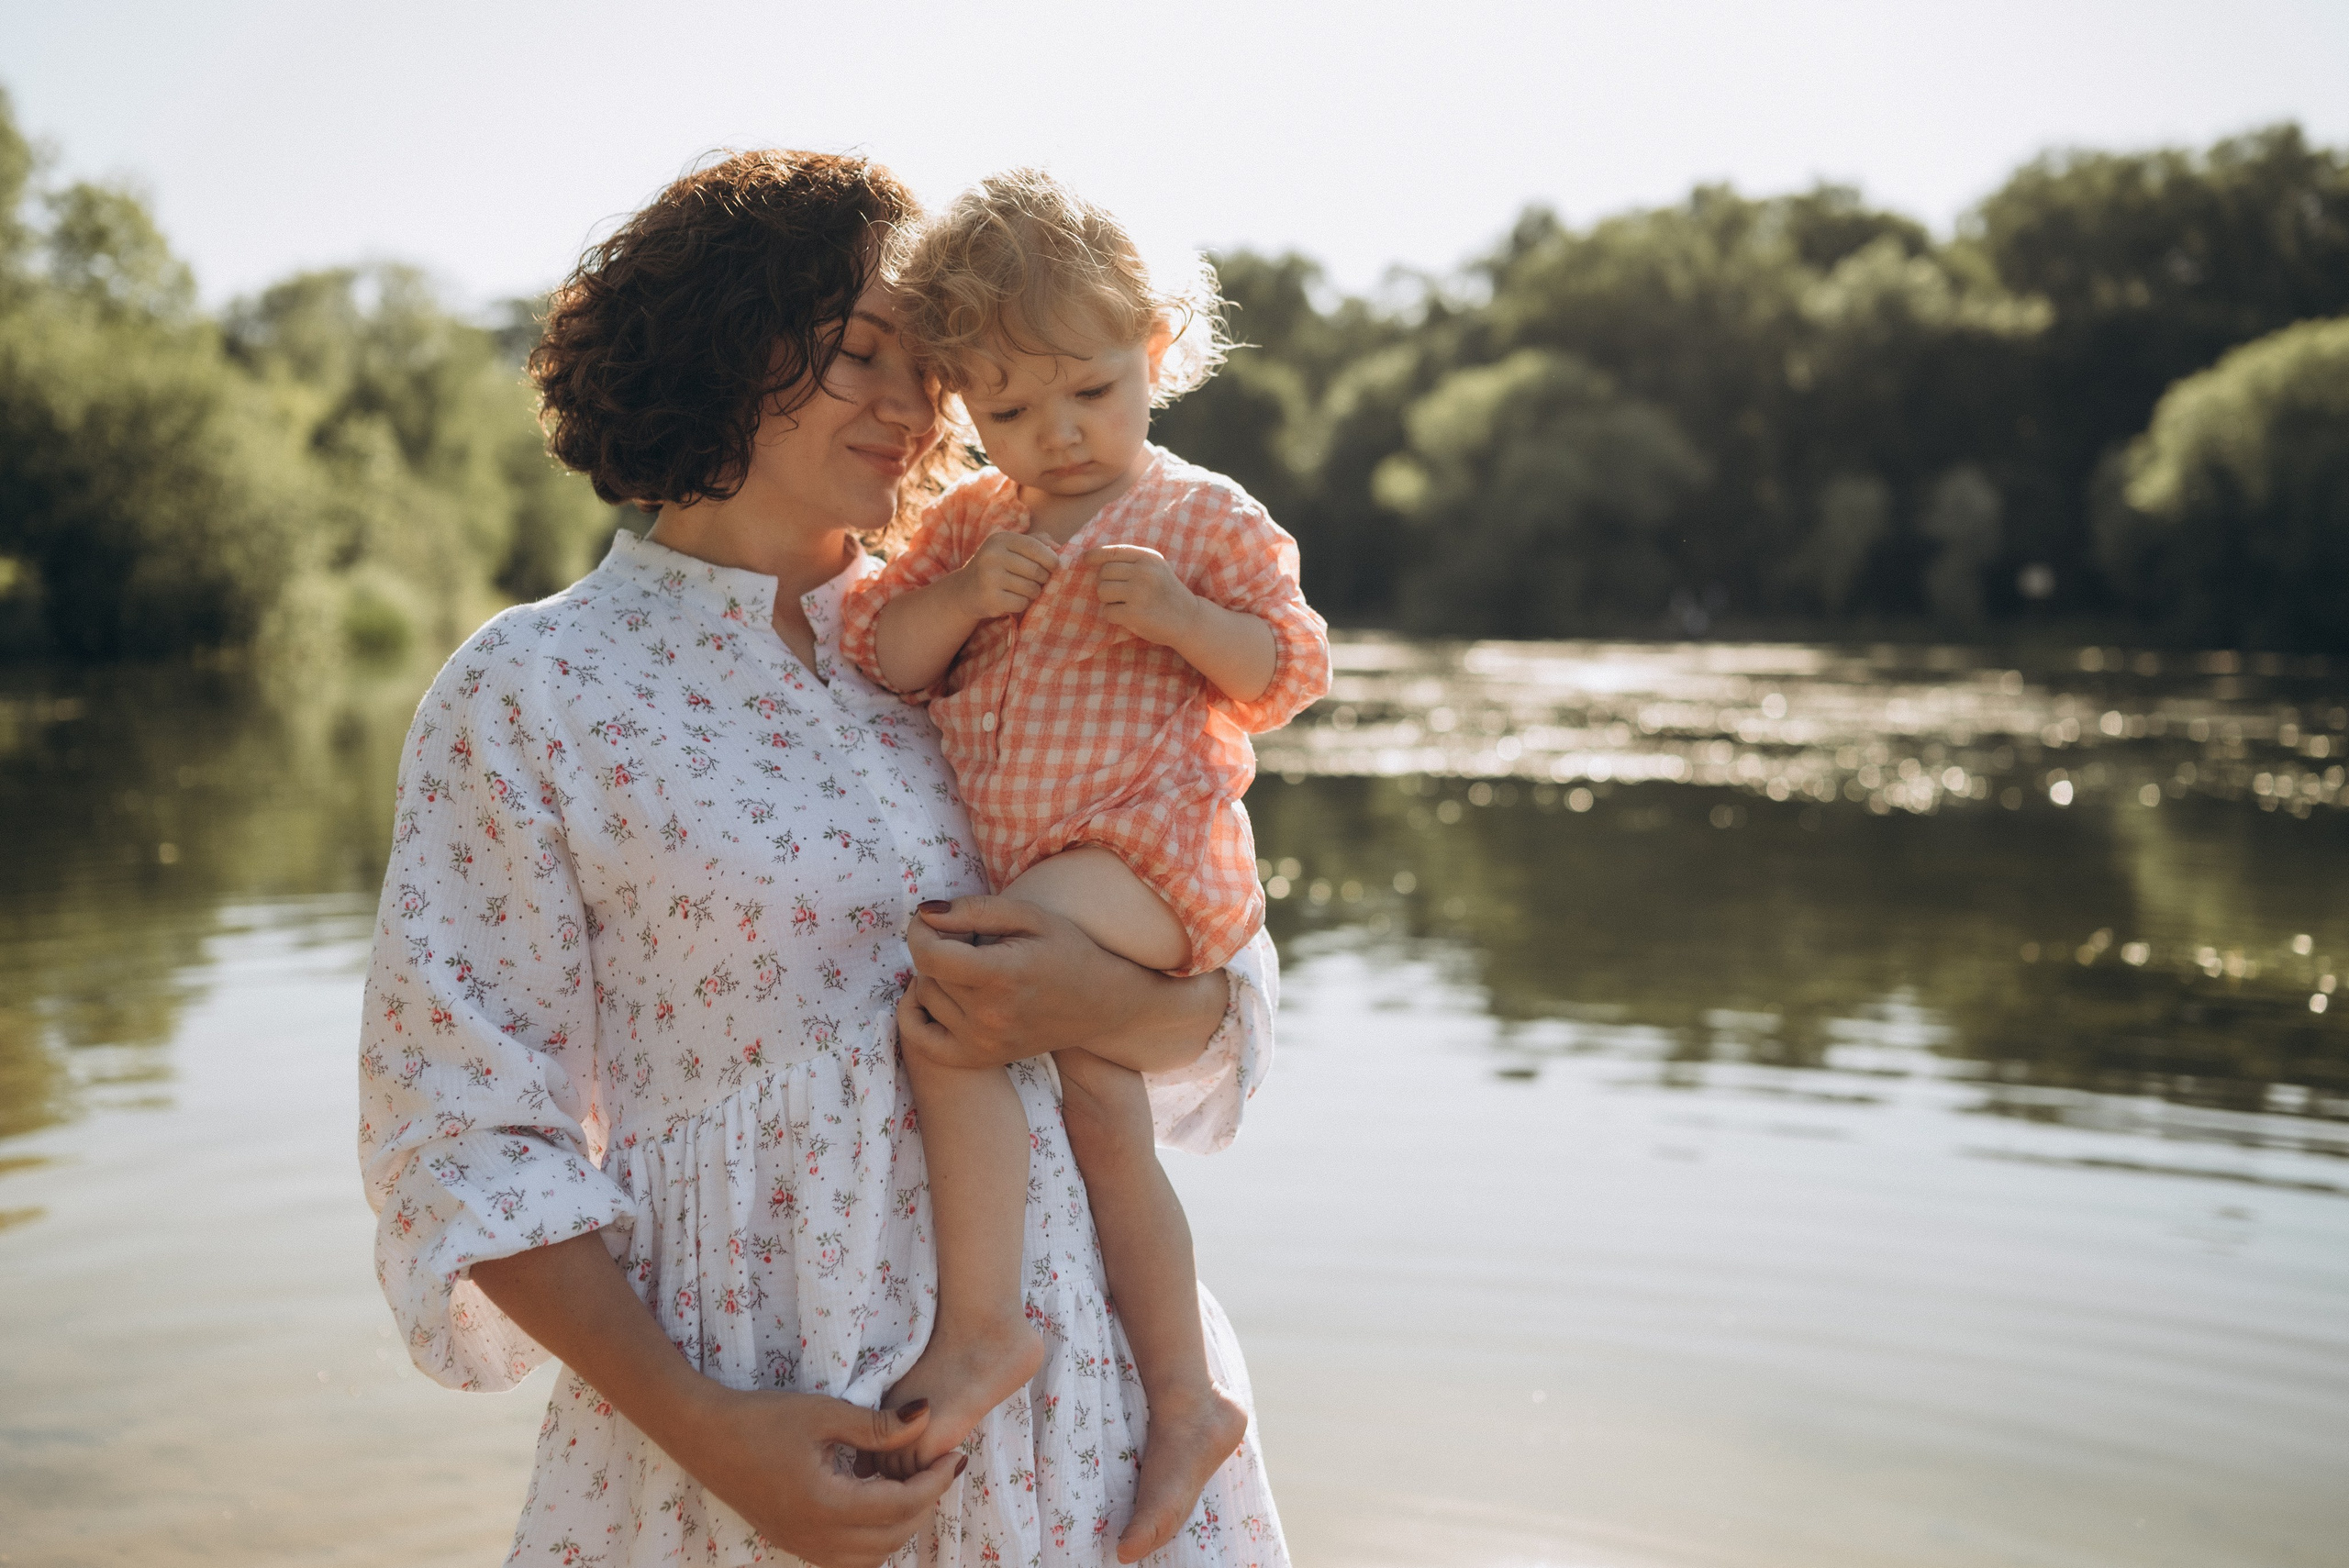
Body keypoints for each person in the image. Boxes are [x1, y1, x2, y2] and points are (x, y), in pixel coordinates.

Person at [356, 149, 1288, 1568]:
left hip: (1092, 1419)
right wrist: (705, 1423)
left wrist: (1093, 1007)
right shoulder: (534, 690)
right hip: (754, 1423)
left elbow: (1213, 955)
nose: (916, 410)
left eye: (930, 370)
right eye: (862, 355)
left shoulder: (1007, 612)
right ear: (729, 347)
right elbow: (465, 1134)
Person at [837, 171, 1329, 1562]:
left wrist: (1186, 621)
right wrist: (953, 600)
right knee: (1105, 1112)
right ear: (966, 410)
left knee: (963, 998)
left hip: (1147, 850)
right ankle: (1185, 1394)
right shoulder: (978, 524)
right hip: (1053, 856)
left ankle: (984, 1321)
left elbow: (1293, 667)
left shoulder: (1200, 515)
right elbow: (883, 649)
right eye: (1006, 410)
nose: (1054, 437)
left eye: (1089, 395)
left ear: (1157, 352)